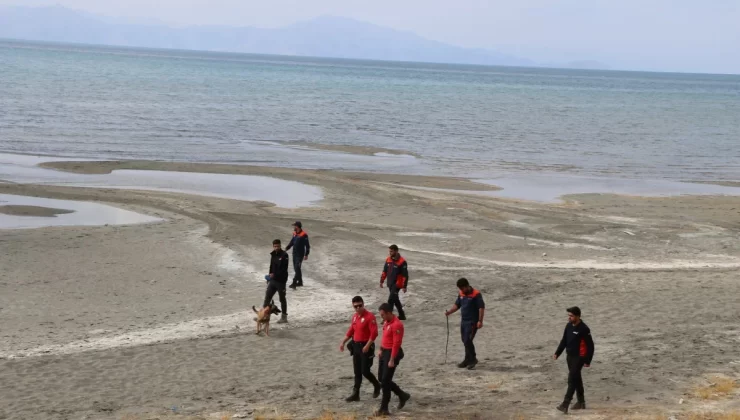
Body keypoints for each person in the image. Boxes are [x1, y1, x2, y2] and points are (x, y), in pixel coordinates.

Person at [553, 306, 595, 413]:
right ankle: (581, 402)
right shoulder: (568, 326)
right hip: (570, 356)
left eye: (571, 316)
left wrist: (587, 360)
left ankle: (565, 404)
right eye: (569, 316)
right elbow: (564, 340)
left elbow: (590, 346)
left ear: (577, 316)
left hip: (579, 357)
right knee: (576, 378)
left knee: (571, 379)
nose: (569, 318)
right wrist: (557, 353)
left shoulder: (584, 329)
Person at [339, 296, 381, 402]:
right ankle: (355, 393)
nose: (358, 308)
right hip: (356, 346)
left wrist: (367, 345)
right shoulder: (354, 317)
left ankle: (377, 385)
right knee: (357, 371)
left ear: (363, 304)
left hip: (366, 346)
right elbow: (351, 331)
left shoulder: (370, 317)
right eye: (355, 306)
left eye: (360, 306)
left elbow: (374, 333)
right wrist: (343, 342)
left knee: (365, 371)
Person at [374, 303, 410, 417]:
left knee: (385, 381)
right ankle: (402, 394)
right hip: (384, 351)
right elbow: (384, 336)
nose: (382, 317)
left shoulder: (397, 325)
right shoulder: (386, 322)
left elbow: (396, 343)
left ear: (389, 313)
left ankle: (384, 408)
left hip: (392, 353)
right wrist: (380, 349)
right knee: (381, 378)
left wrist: (392, 359)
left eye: (383, 315)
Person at [444, 277, 485, 370]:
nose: (461, 290)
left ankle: (472, 359)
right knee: (464, 340)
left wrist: (480, 321)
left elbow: (481, 308)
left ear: (467, 286)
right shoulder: (461, 294)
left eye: (462, 288)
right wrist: (450, 312)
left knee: (467, 340)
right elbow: (457, 305)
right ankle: (467, 360)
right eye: (460, 289)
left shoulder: (476, 294)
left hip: (472, 322)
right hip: (464, 321)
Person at [263, 239, 289, 324]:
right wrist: (270, 276)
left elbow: (283, 270)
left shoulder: (285, 255)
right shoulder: (273, 254)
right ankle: (264, 316)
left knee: (282, 299)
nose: (276, 248)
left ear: (280, 245)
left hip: (281, 282)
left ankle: (284, 317)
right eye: (275, 246)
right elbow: (271, 266)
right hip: (273, 281)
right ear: (273, 246)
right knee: (267, 298)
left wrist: (275, 275)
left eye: (278, 246)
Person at [379, 245, 408, 320]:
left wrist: (404, 286)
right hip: (390, 283)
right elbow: (384, 271)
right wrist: (381, 281)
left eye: (391, 251)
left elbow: (405, 275)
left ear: (396, 251)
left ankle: (388, 318)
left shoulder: (402, 262)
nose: (390, 253)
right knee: (395, 299)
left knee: (390, 300)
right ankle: (402, 315)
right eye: (389, 251)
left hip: (397, 284)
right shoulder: (388, 259)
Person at [286, 221, 310, 289]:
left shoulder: (304, 235)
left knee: (297, 267)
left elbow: (307, 245)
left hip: (300, 254)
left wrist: (306, 254)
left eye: (294, 226)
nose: (293, 227)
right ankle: (300, 282)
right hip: (294, 253)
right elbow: (292, 242)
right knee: (296, 268)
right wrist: (286, 248)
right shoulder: (294, 233)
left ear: (297, 226)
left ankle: (294, 282)